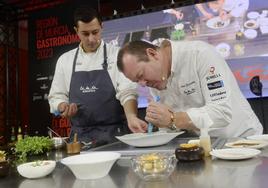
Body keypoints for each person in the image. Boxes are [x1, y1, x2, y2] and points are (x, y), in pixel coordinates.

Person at [117, 40, 263, 137]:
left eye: (141, 75)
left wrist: (173, 119)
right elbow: (172, 125)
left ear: (153, 54)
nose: (143, 84)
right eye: (137, 81)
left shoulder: (199, 54)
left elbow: (221, 112)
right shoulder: (154, 78)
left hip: (242, 140)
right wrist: (157, 128)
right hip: (208, 147)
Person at [48, 6, 147, 144]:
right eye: (85, 34)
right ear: (76, 31)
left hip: (116, 136)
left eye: (95, 32)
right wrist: (62, 106)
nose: (91, 39)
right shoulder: (65, 60)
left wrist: (131, 117)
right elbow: (56, 96)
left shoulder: (117, 54)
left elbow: (127, 92)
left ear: (102, 26)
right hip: (80, 138)